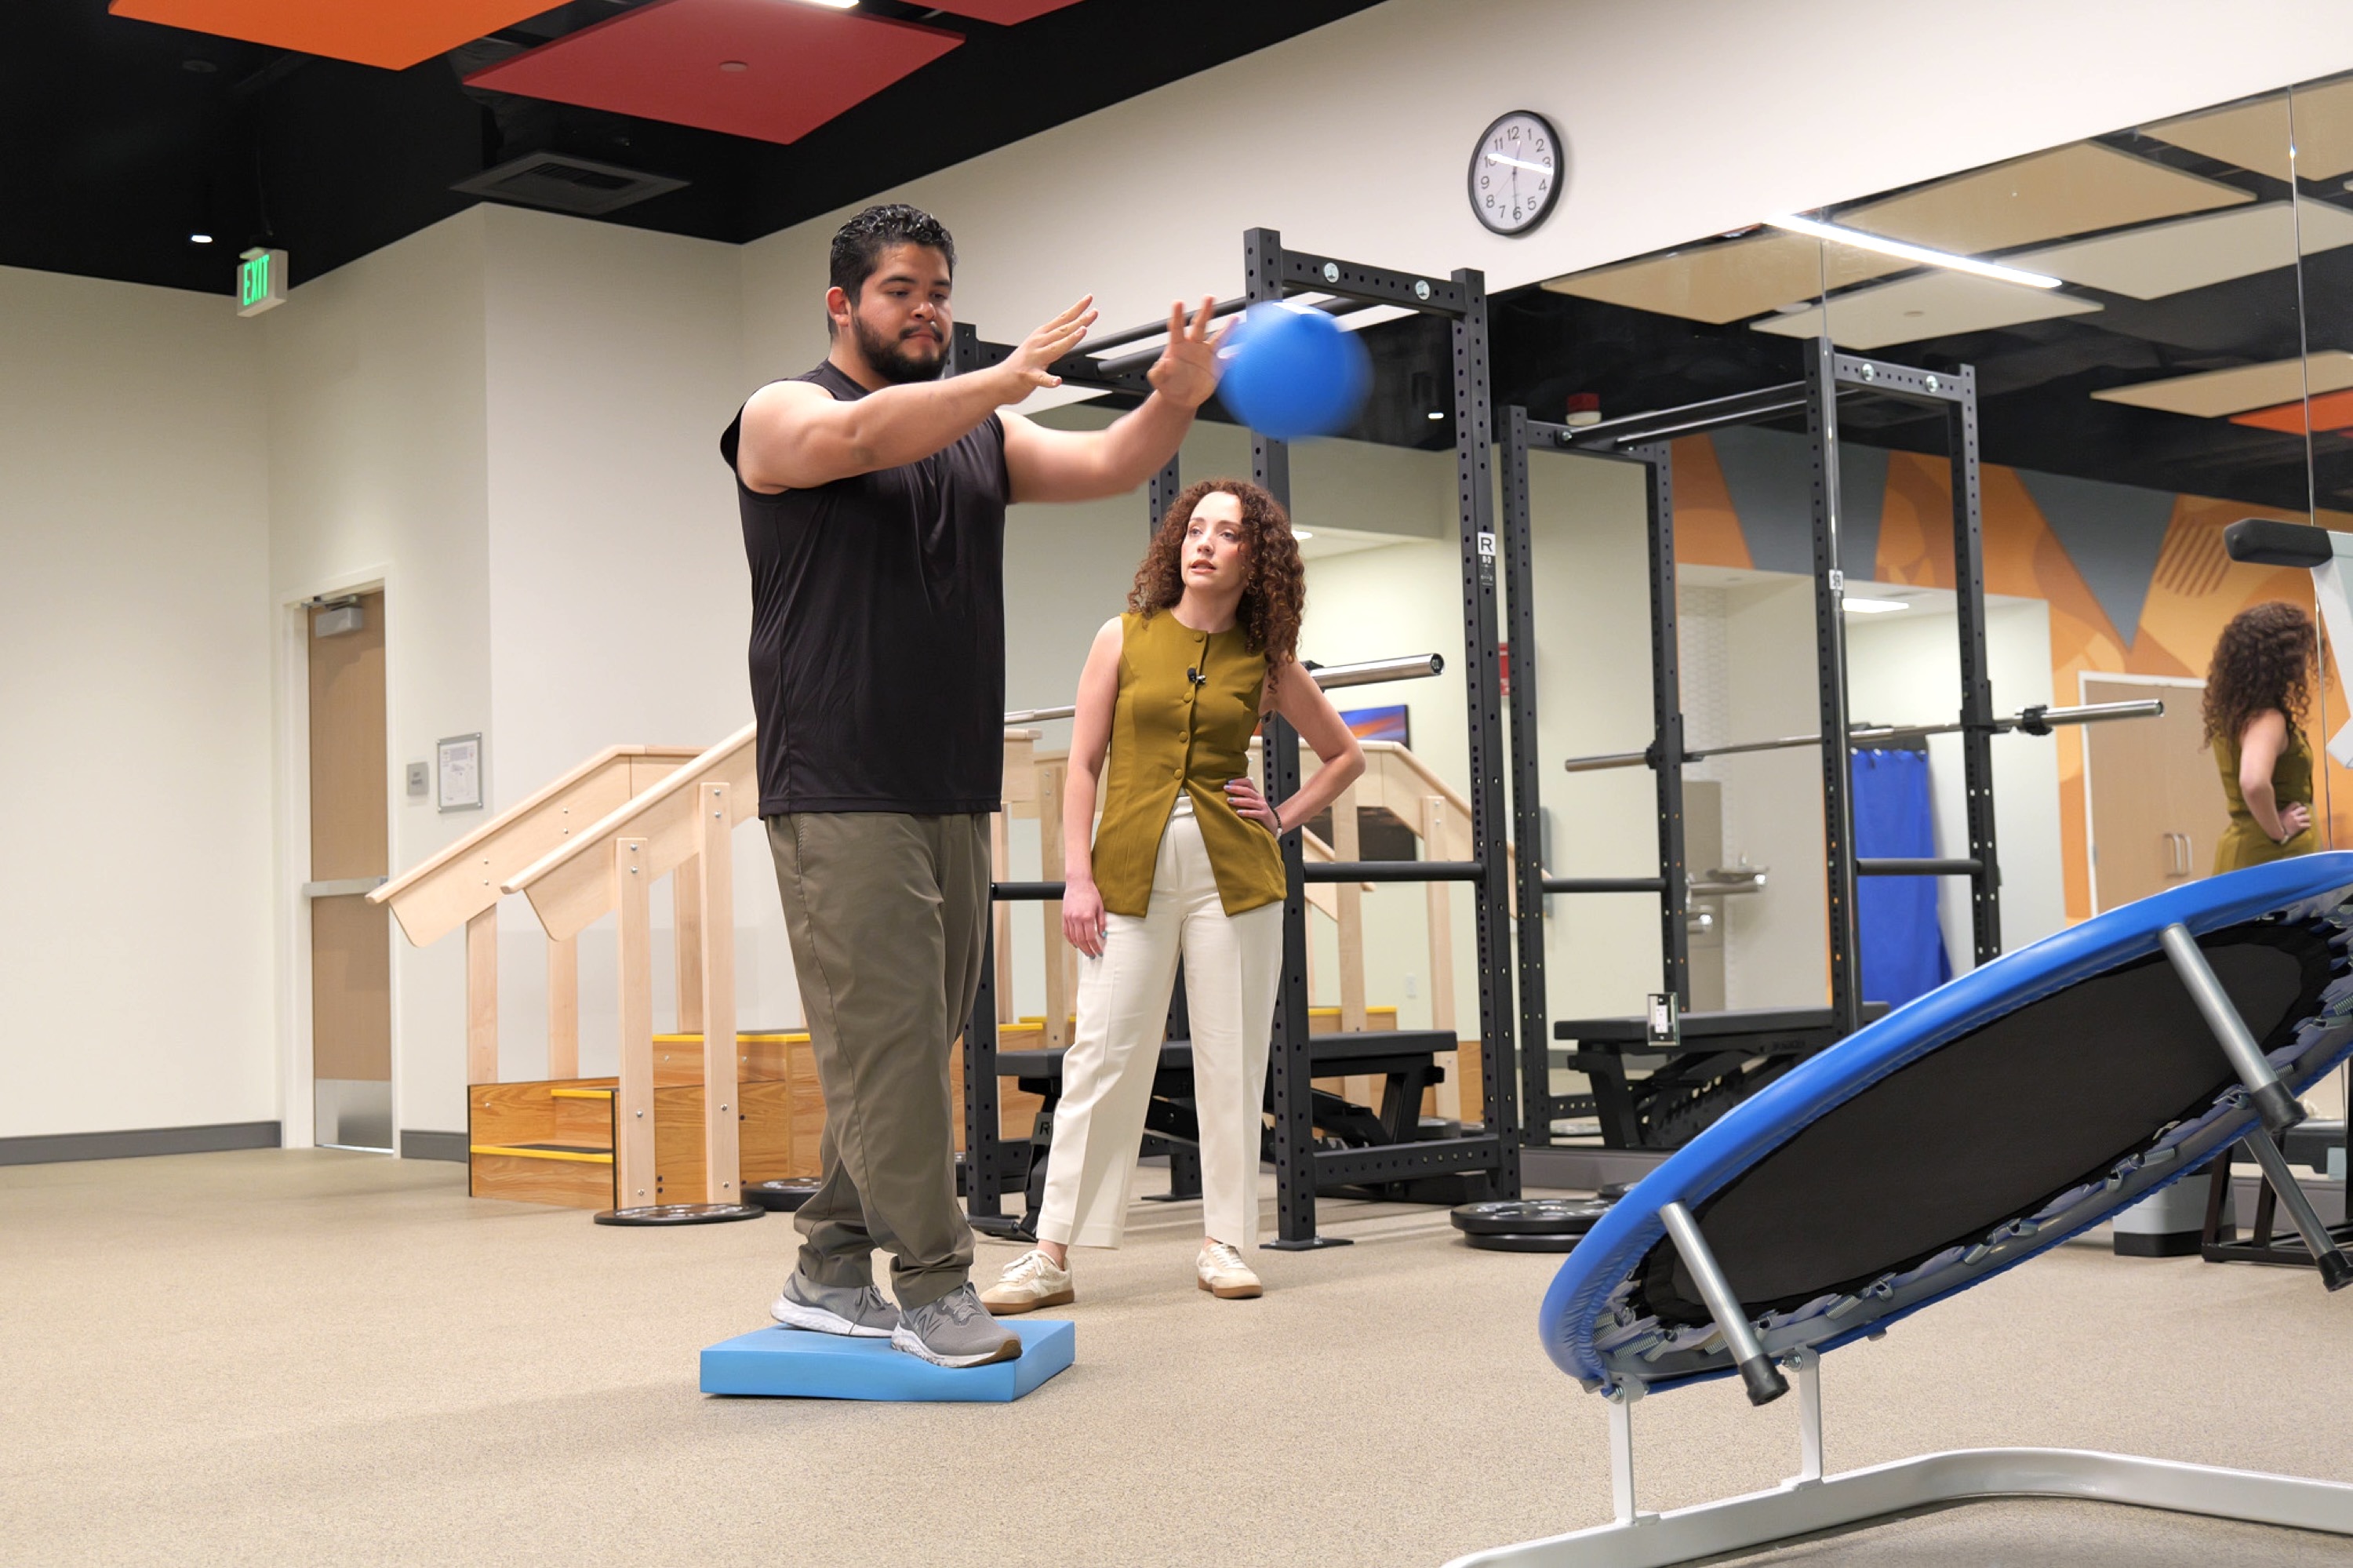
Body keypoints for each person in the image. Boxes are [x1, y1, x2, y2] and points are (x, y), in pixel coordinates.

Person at [720, 203, 1227, 1367]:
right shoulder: (781, 413)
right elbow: (861, 438)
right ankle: (936, 1284)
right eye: (902, 291)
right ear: (842, 304)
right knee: (891, 1043)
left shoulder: (978, 436)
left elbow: (1112, 462)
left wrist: (1175, 400)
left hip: (950, 781)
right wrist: (1000, 380)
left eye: (940, 291)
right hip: (836, 781)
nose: (928, 311)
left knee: (907, 1043)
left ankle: (827, 1264)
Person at [980, 478, 1365, 1313]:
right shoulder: (1122, 636)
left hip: (1238, 880)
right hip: (1127, 873)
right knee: (1101, 1057)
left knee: (1233, 1061)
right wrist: (1077, 875)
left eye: (1227, 533)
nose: (1205, 543)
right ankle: (1051, 1253)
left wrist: (1282, 816)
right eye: (1195, 529)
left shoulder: (1267, 661)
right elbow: (1083, 764)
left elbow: (1346, 756)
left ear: (1255, 558)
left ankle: (1225, 1242)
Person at [2204, 600, 2322, 872]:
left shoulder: (2235, 716)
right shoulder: (2267, 719)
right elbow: (2253, 782)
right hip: (2272, 856)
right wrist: (2280, 832)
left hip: (2252, 850)